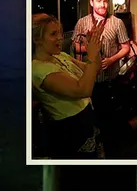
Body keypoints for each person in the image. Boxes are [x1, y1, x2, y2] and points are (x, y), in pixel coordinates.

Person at [32, 13, 104, 158]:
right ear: (37, 39)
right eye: (53, 34)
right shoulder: (38, 69)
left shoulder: (60, 56)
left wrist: (93, 50)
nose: (60, 37)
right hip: (70, 127)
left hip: (87, 116)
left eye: (59, 32)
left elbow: (95, 69)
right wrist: (91, 55)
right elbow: (83, 90)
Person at [71, 0, 130, 153]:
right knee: (91, 121)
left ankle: (111, 153)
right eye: (99, 1)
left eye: (105, 1)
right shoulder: (82, 22)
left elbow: (125, 47)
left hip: (110, 80)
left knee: (111, 122)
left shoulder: (117, 23)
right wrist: (91, 48)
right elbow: (75, 46)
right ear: (91, 2)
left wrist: (112, 59)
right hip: (89, 82)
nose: (103, 5)